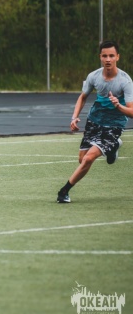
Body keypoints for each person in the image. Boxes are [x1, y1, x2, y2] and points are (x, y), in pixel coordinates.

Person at [57, 40, 133, 203]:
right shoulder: (93, 76)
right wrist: (74, 117)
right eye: (105, 56)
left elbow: (131, 111)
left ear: (117, 57)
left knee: (88, 159)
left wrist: (118, 106)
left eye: (111, 56)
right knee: (82, 159)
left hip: (114, 125)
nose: (108, 59)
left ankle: (64, 191)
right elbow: (83, 97)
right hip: (94, 121)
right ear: (100, 57)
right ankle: (114, 147)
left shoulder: (125, 81)